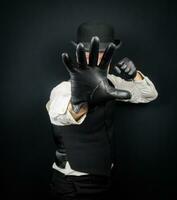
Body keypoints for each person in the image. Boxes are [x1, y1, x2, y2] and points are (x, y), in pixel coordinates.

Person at [46, 22, 158, 200]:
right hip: (72, 183)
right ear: (78, 53)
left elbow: (149, 94)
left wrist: (134, 75)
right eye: (90, 52)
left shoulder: (113, 82)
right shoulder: (63, 89)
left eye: (102, 52)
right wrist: (81, 101)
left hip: (105, 178)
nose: (97, 58)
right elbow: (61, 116)